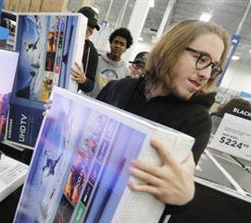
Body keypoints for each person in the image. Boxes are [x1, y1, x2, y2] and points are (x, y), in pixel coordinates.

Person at [94, 19, 230, 206]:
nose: (206, 74)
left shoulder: (196, 121)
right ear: (171, 49)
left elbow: (164, 201)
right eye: (202, 59)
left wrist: (182, 198)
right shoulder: (117, 88)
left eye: (213, 66)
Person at [87, 27, 133, 97]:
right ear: (110, 43)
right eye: (116, 42)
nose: (118, 46)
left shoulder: (126, 73)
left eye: (122, 44)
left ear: (125, 49)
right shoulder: (96, 60)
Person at [71, 7, 99, 93]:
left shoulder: (92, 52)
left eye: (93, 27)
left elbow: (90, 86)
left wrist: (84, 80)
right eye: (88, 24)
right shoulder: (60, 36)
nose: (91, 30)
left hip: (67, 95)